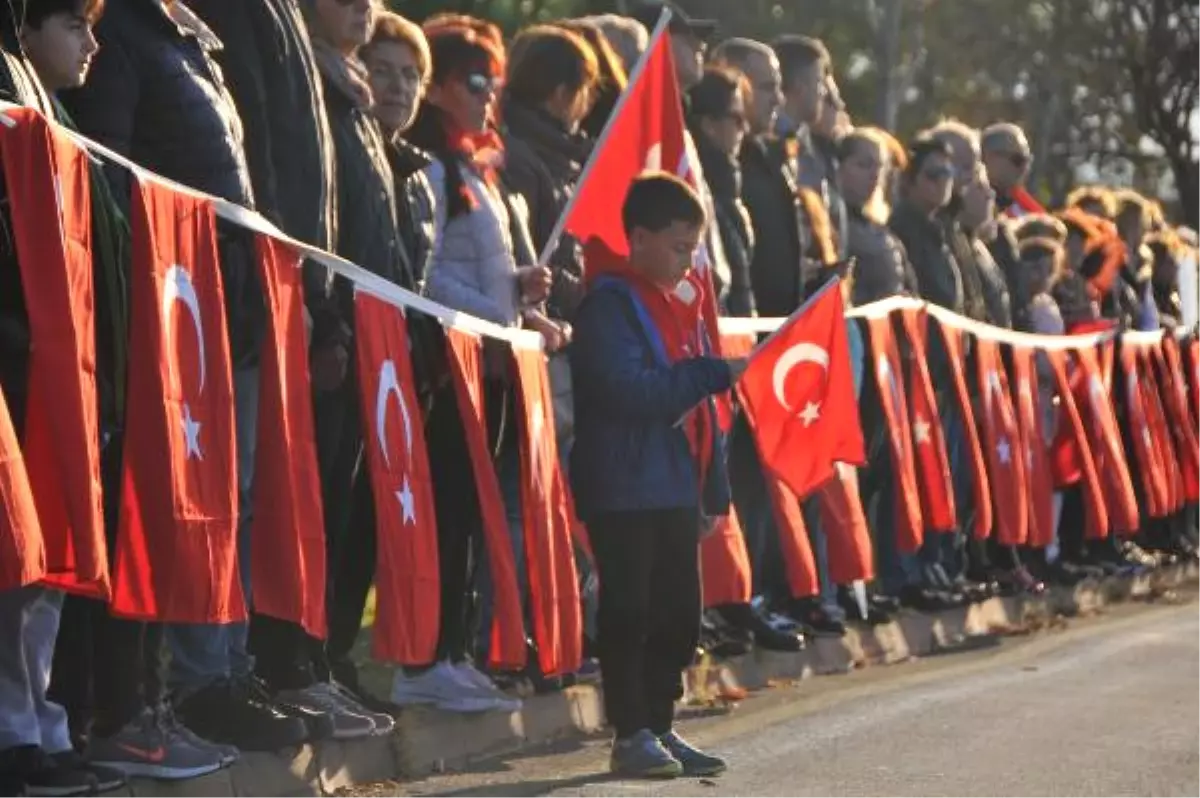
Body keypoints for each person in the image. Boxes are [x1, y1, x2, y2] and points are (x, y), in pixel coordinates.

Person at [59, 0, 312, 760]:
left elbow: (239, 177)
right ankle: (179, 693)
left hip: (219, 306)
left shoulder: (190, 42)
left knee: (225, 499)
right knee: (176, 500)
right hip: (164, 310)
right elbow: (110, 172)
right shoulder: (125, 40)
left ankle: (223, 673)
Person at [570, 172, 742, 779]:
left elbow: (699, 409)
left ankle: (662, 725)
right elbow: (629, 391)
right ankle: (630, 731)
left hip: (671, 482)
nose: (687, 260)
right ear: (637, 238)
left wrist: (713, 480)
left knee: (678, 611)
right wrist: (708, 374)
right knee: (630, 610)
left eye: (693, 248)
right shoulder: (609, 304)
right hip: (622, 485)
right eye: (677, 246)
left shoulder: (684, 305)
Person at [400, 19, 548, 710]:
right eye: (477, 80)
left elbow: (476, 273)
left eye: (496, 82)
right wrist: (492, 317)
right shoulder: (431, 167)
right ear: (440, 88)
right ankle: (423, 659)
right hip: (447, 368)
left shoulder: (474, 167)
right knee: (446, 507)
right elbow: (424, 276)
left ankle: (454, 651)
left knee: (467, 510)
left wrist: (520, 291)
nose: (491, 96)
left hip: (485, 368)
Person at [687, 65, 755, 316]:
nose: (745, 129)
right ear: (708, 124)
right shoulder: (698, 185)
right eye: (736, 119)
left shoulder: (729, 185)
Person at [838, 128, 917, 305]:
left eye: (879, 166)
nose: (874, 174)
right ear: (838, 166)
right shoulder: (831, 227)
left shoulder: (881, 230)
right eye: (864, 165)